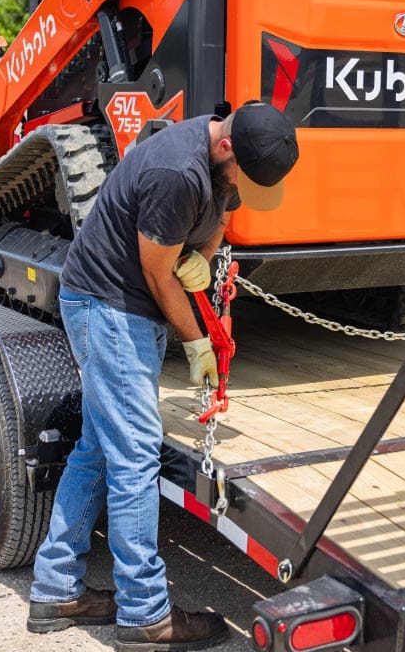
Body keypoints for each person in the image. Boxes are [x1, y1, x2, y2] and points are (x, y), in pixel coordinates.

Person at [26, 101, 299, 649]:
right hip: (107, 306)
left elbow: (222, 216)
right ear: (227, 148)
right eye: (241, 178)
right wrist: (196, 338)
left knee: (101, 448)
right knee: (134, 457)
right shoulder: (176, 172)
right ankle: (145, 613)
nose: (240, 190)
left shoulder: (232, 157)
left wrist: (202, 256)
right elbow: (155, 270)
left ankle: (56, 590)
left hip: (130, 304)